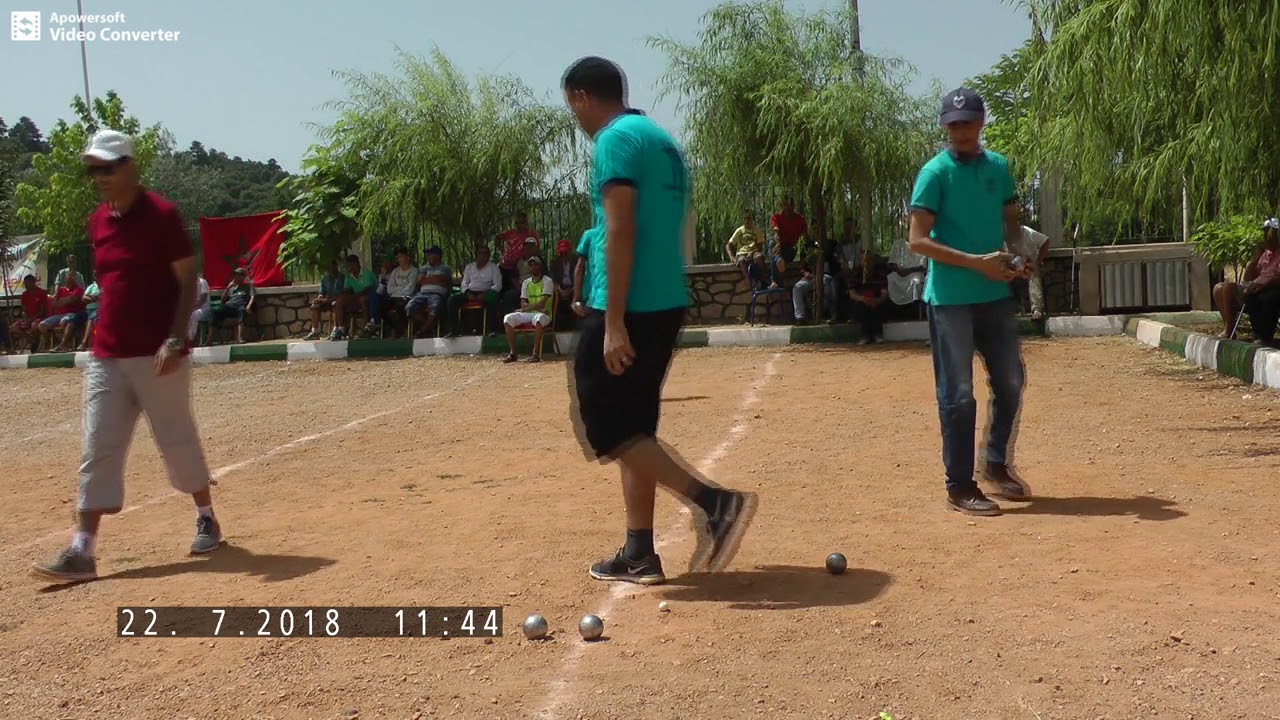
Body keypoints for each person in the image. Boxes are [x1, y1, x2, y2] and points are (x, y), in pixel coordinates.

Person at [561, 56, 756, 585]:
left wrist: (614, 321)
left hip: (630, 303)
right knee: (635, 430)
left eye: (572, 106)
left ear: (581, 96)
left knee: (607, 429)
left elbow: (620, 229)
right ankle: (639, 552)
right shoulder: (660, 140)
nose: (576, 117)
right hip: (664, 297)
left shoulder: (614, 140)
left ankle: (714, 503)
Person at [33, 129, 222, 583]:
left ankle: (206, 517)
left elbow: (186, 279)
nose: (100, 176)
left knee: (176, 440)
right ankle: (82, 549)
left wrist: (174, 340)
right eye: (94, 169)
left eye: (108, 167)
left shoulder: (162, 216)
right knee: (97, 446)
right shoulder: (97, 222)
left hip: (158, 355)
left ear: (130, 166)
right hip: (107, 354)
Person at [907, 87, 1033, 518]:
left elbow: (1011, 224)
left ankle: (995, 463)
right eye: (953, 124)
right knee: (958, 394)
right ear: (945, 127)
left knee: (1011, 381)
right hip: (950, 300)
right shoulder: (934, 173)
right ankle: (959, 486)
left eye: (967, 123)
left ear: (981, 123)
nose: (960, 131)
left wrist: (1019, 256)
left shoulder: (999, 168)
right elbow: (917, 240)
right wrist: (976, 263)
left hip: (994, 295)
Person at [1213, 218, 1280, 344]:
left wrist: (1261, 286)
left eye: (1270, 234)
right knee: (1218, 289)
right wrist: (1256, 257)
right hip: (1255, 285)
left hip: (1270, 288)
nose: (1266, 238)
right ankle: (1229, 327)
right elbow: (1248, 277)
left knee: (1235, 290)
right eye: (1265, 234)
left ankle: (1257, 335)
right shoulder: (1266, 255)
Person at [501, 255, 554, 363]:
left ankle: (535, 353)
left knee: (539, 319)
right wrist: (528, 308)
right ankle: (513, 353)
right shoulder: (526, 282)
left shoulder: (547, 281)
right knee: (508, 318)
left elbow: (542, 303)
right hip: (531, 313)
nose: (533, 267)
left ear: (540, 267)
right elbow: (523, 303)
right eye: (531, 265)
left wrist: (526, 308)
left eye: (535, 265)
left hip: (544, 314)